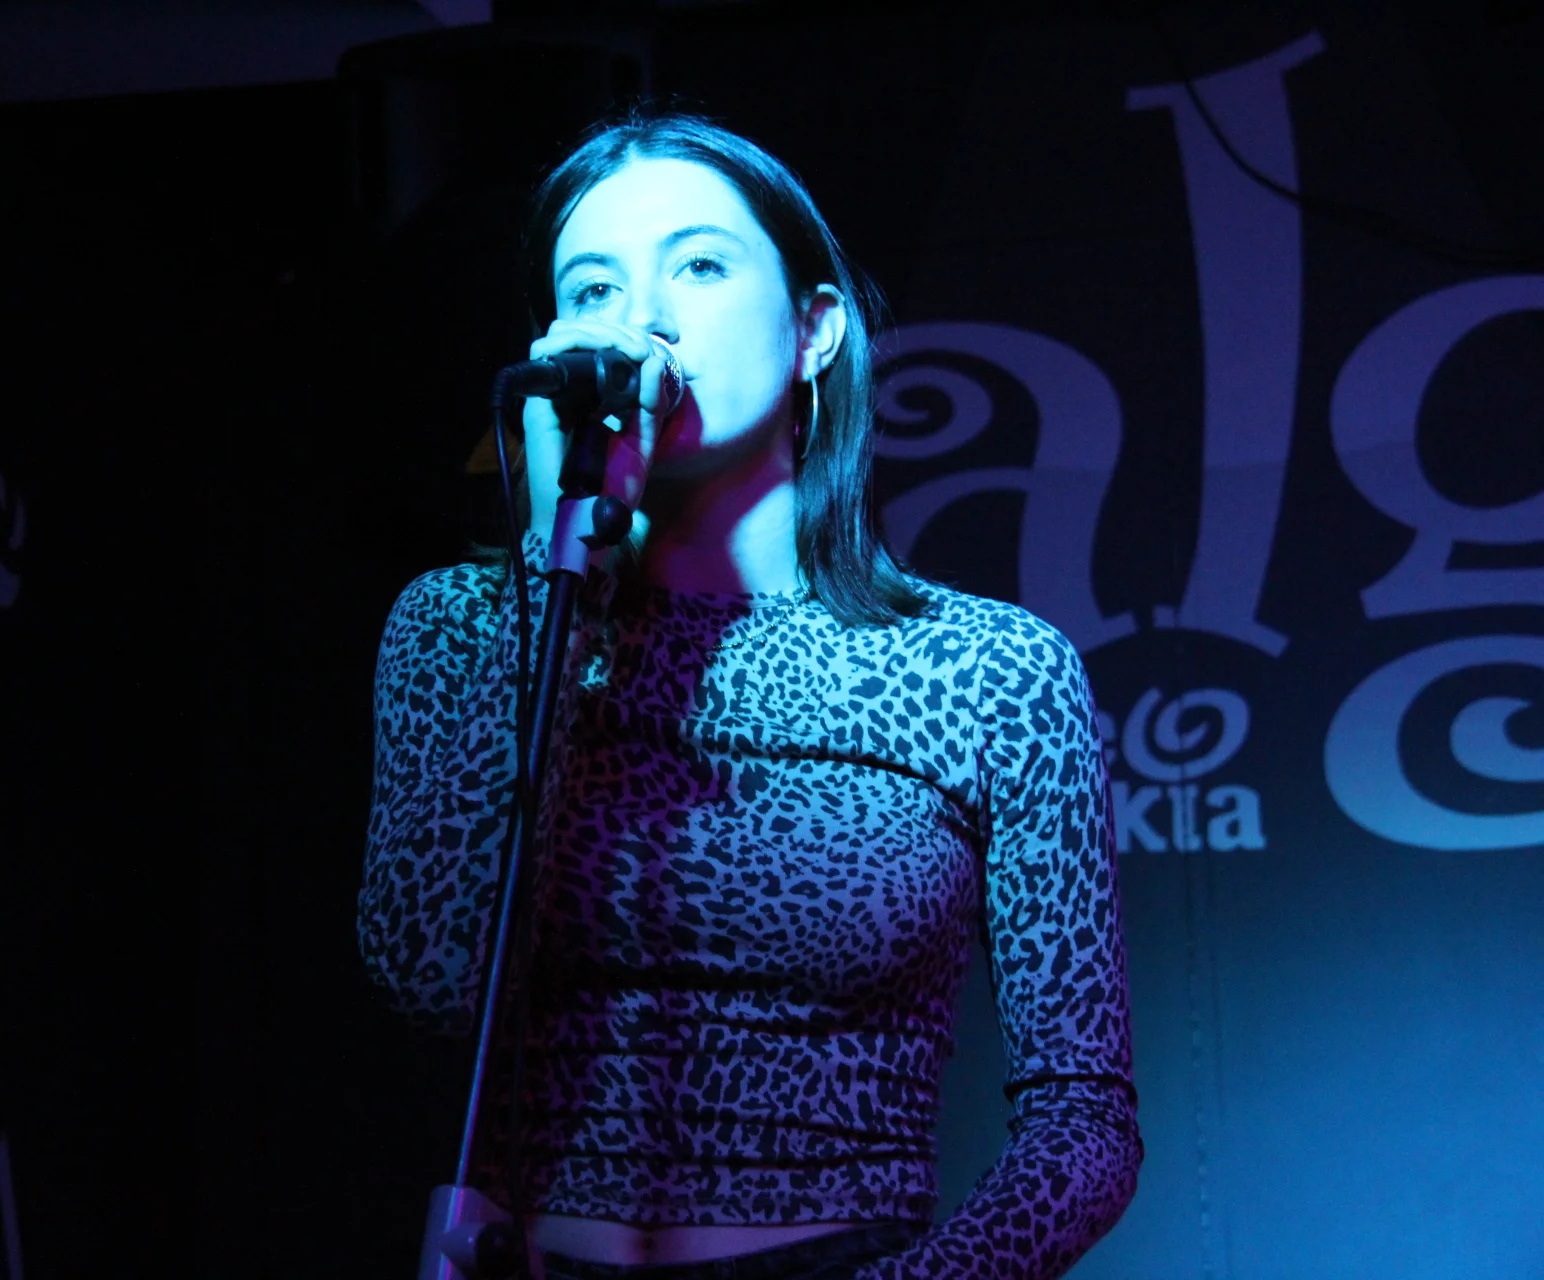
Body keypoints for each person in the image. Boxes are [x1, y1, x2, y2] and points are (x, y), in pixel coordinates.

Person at [360, 111, 1140, 1280]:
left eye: (700, 265)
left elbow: (1085, 1120)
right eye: (595, 287)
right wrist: (555, 572)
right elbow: (429, 971)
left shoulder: (988, 667)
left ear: (815, 330)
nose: (645, 319)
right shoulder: (468, 626)